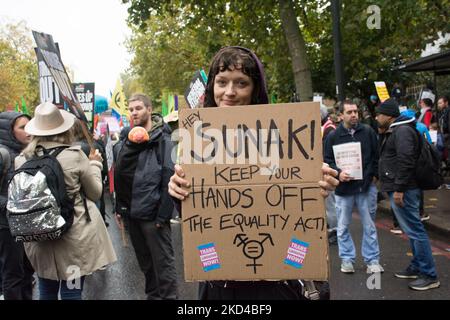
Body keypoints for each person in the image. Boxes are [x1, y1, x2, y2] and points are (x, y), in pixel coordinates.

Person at [168, 46, 339, 300]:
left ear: (255, 89)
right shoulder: (197, 142)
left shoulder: (282, 137)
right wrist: (178, 192)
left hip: (273, 285)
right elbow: (199, 218)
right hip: (219, 286)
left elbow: (293, 207)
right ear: (212, 87)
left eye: (241, 83)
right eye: (222, 82)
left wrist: (317, 184)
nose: (229, 92)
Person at [15, 102, 117, 300]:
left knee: (46, 290)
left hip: (39, 238)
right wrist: (95, 164)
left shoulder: (22, 159)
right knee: (72, 290)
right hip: (74, 239)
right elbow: (95, 193)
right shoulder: (74, 156)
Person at [114, 93, 177, 300]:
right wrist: (119, 208)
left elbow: (169, 175)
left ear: (149, 110)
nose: (134, 113)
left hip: (153, 216)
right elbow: (121, 177)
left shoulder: (163, 140)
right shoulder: (126, 140)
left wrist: (162, 215)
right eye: (131, 109)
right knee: (146, 266)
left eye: (139, 108)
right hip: (131, 214)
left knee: (163, 267)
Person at [375, 98, 440, 291]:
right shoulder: (398, 129)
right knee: (412, 230)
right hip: (403, 188)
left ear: (388, 115)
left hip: (405, 190)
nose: (377, 118)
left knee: (415, 231)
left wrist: (400, 189)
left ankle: (429, 274)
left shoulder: (402, 131)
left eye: (379, 114)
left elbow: (406, 160)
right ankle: (418, 266)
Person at [324, 100, 382, 274]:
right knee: (342, 227)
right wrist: (338, 172)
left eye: (355, 111)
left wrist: (374, 176)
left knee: (369, 226)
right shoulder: (333, 137)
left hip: (366, 187)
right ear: (341, 115)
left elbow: (376, 156)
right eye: (349, 112)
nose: (354, 115)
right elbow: (327, 160)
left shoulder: (368, 132)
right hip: (344, 190)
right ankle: (347, 259)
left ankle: (372, 260)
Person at [0, 111, 34, 300]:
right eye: (22, 127)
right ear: (9, 131)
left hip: (25, 222)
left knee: (27, 271)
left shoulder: (27, 153)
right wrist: (13, 205)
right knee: (12, 274)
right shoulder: (2, 154)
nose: (28, 131)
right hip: (6, 226)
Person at [321, 106, 337, 245]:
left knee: (330, 204)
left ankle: (335, 230)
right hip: (326, 169)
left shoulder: (329, 129)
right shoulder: (327, 127)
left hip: (327, 170)